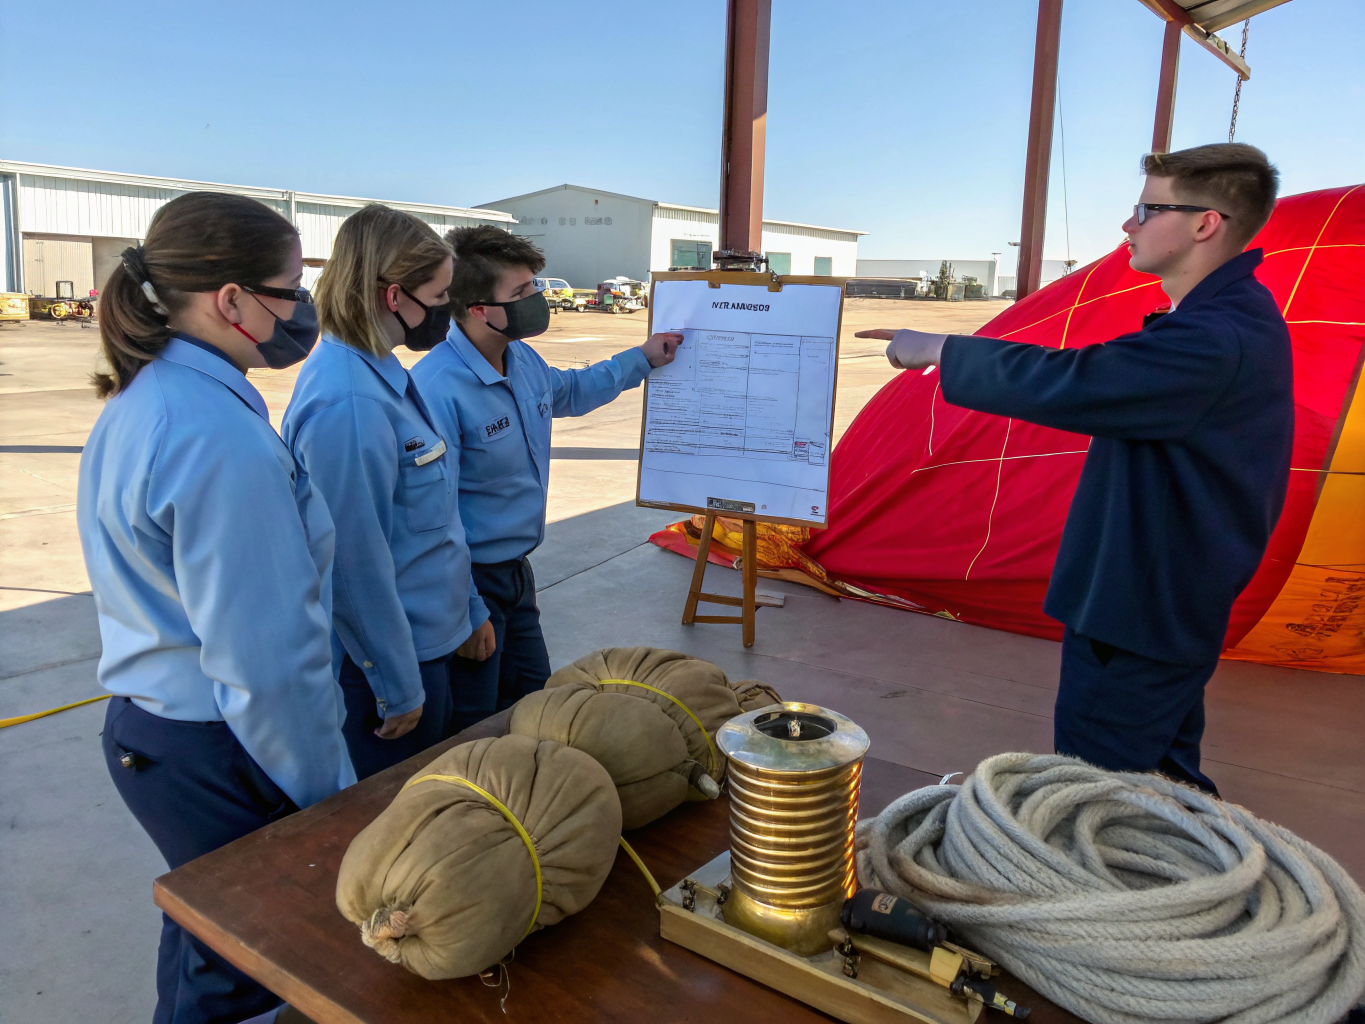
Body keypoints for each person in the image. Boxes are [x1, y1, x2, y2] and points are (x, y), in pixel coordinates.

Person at [857, 143, 1293, 794]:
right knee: (1164, 783)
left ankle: (1117, 893)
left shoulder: (1214, 339)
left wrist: (939, 348)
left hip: (1139, 612)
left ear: (1205, 224)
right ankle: (1194, 878)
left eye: (1147, 209)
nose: (1128, 225)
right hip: (1156, 603)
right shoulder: (1217, 321)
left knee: (1097, 793)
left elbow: (1074, 381)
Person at [78, 191, 355, 1024]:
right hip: (224, 747)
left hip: (163, 731)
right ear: (230, 300)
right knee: (245, 969)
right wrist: (329, 799)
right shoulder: (211, 432)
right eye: (290, 288)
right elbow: (266, 658)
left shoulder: (155, 397)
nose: (302, 310)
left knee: (208, 943)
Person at [410, 226, 682, 720]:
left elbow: (571, 391)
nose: (538, 300)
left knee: (536, 703)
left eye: (535, 285)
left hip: (517, 574)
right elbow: (432, 515)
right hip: (471, 582)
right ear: (478, 310)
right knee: (474, 719)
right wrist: (468, 610)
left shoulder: (520, 357)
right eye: (521, 293)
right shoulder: (436, 389)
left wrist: (642, 358)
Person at [282, 205, 494, 775]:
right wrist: (397, 685)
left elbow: (434, 522)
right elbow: (352, 562)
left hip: (432, 638)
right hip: (388, 663)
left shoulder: (384, 372)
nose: (448, 311)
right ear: (394, 297)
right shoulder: (350, 404)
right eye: (441, 295)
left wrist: (470, 609)